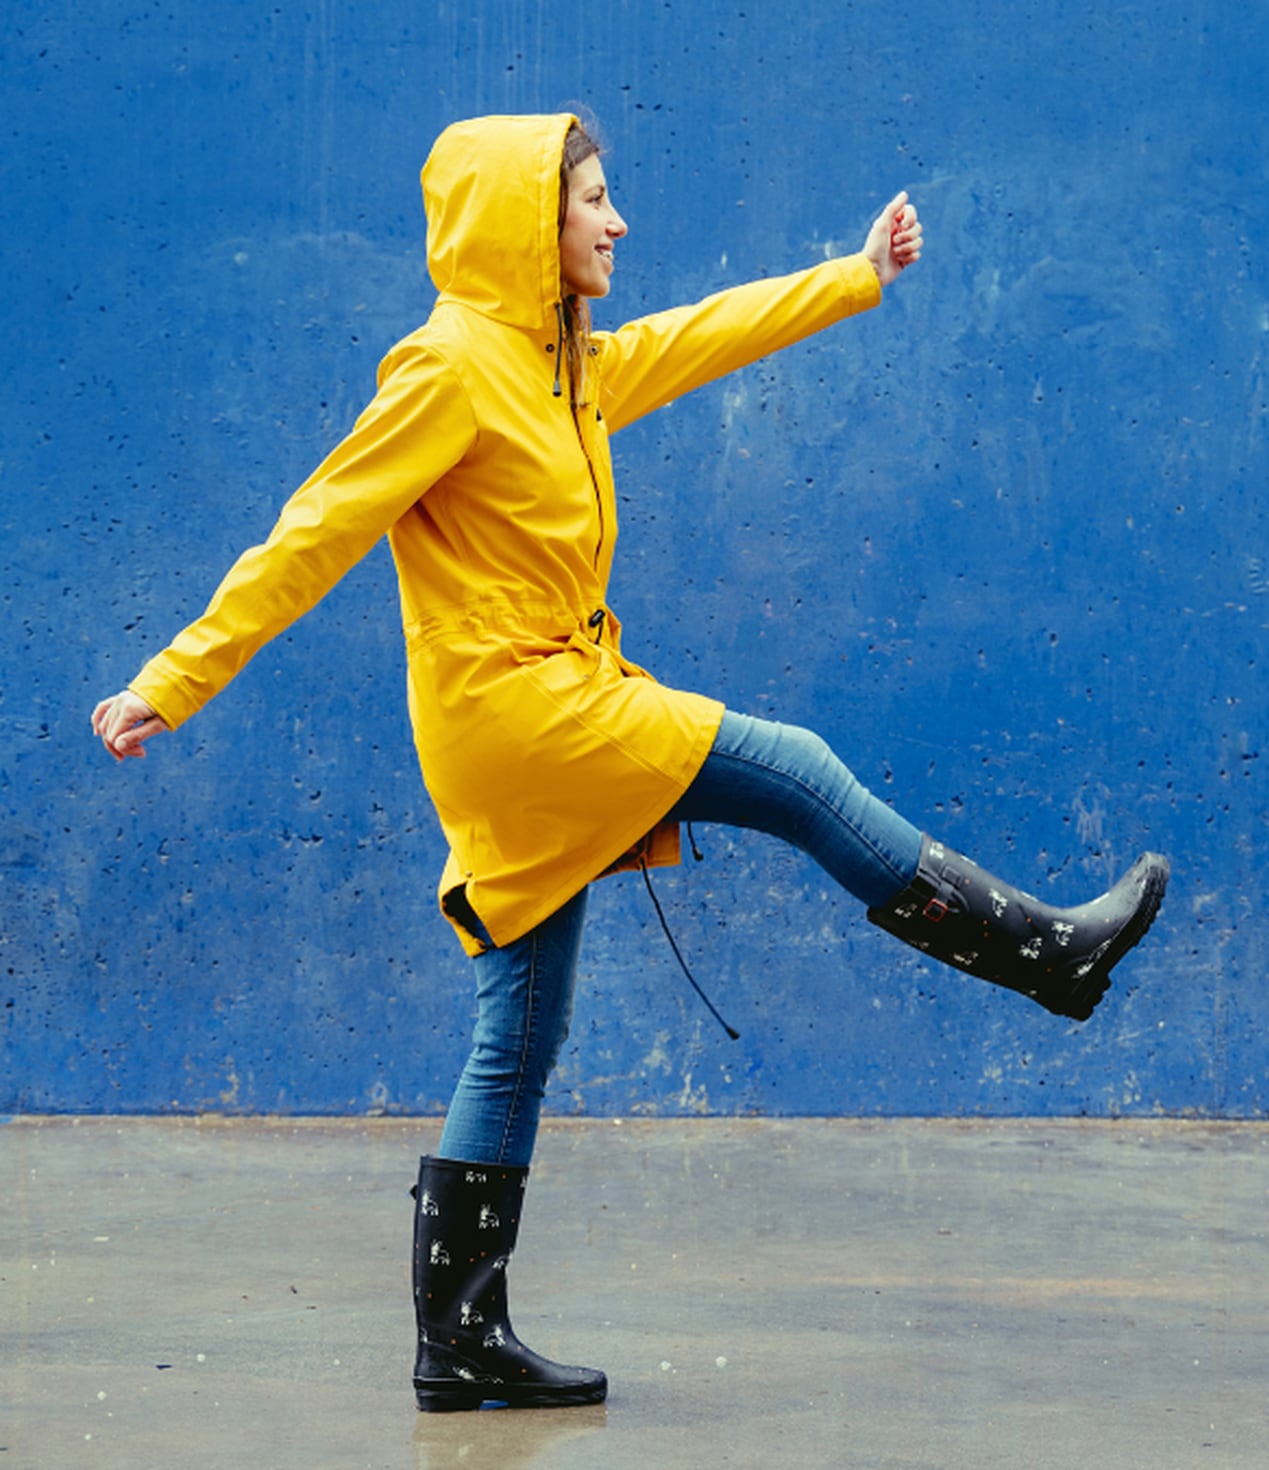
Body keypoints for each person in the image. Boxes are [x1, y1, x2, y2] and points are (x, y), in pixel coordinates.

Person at [91, 112, 1168, 1412]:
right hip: (519, 712)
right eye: (591, 201)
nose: (616, 223)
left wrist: (857, 278)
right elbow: (313, 530)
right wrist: (175, 678)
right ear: (524, 226)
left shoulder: (569, 365)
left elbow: (705, 332)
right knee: (802, 770)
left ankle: (459, 1337)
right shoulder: (448, 369)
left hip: (547, 706)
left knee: (521, 1022)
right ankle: (1046, 952)